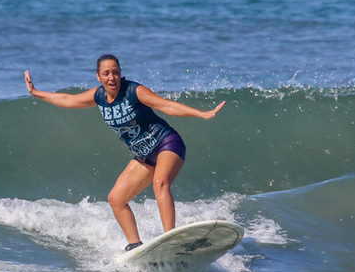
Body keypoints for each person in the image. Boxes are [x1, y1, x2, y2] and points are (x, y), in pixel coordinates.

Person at [24, 54, 225, 251]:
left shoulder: (134, 91)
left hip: (166, 143)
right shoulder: (99, 96)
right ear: (98, 77)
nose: (111, 77)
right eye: (106, 73)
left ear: (120, 74)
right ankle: (135, 245)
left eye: (115, 72)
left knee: (160, 183)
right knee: (116, 199)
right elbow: (68, 100)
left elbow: (167, 106)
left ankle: (170, 239)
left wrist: (202, 114)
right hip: (144, 156)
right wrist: (36, 93)